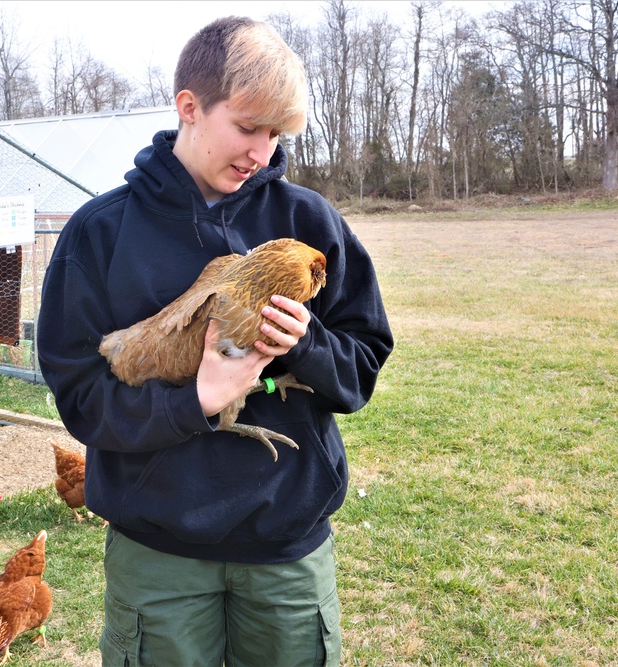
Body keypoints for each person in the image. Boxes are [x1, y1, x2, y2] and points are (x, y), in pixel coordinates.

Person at [36, 15, 393, 667]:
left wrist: (307, 345)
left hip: (286, 545)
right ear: (190, 108)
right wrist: (194, 398)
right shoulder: (100, 234)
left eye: (276, 133)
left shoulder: (309, 222)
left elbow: (363, 366)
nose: (262, 150)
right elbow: (80, 396)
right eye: (248, 126)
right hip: (158, 554)